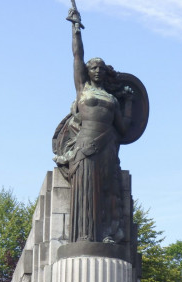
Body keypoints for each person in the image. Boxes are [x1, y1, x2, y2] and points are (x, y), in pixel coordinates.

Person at [53, 9, 134, 244]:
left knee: (108, 192)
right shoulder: (83, 89)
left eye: (101, 67)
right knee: (86, 191)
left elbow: (124, 128)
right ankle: (84, 236)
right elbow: (77, 56)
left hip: (108, 146)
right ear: (87, 72)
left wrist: (128, 102)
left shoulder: (112, 99)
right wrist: (75, 28)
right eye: (93, 67)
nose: (97, 70)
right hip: (86, 144)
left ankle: (108, 234)